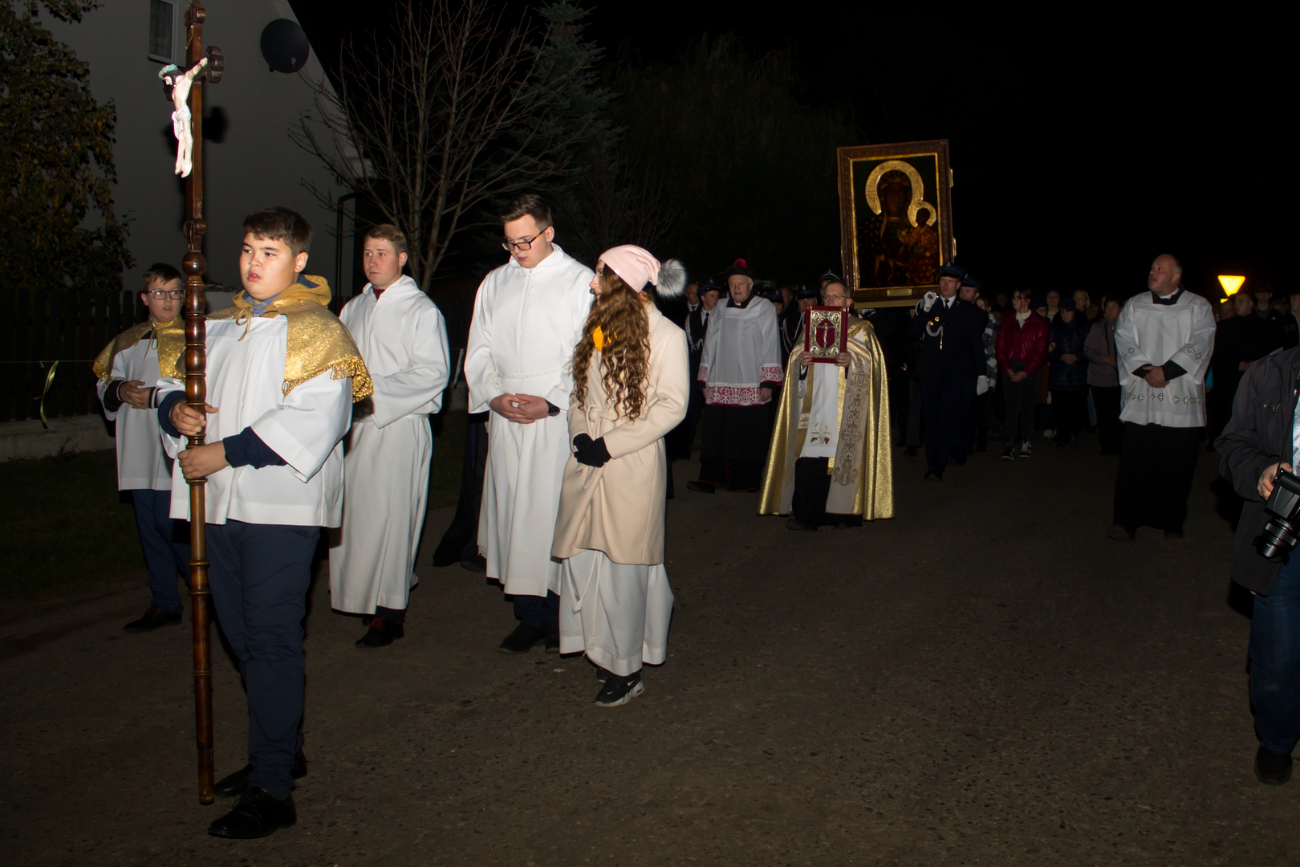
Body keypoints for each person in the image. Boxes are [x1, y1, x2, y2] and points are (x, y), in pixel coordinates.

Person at [157, 208, 369, 838]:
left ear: (300, 261)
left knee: (272, 639)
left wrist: (223, 449)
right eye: (249, 249)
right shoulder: (220, 325)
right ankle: (281, 744)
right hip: (216, 504)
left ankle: (273, 787)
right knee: (242, 636)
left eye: (270, 252)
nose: (254, 262)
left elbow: (316, 419)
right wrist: (178, 414)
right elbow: (174, 382)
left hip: (280, 507)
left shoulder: (319, 332)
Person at [551, 246, 688, 706]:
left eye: (601, 275)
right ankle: (602, 649)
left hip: (630, 467)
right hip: (588, 463)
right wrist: (579, 436)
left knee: (624, 571)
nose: (592, 283)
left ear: (625, 283)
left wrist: (610, 444)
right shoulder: (600, 331)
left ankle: (628, 667)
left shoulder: (665, 335)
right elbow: (579, 394)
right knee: (585, 561)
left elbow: (672, 406)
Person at [465, 194, 593, 653]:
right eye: (510, 244)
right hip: (506, 412)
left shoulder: (580, 282)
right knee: (514, 512)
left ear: (548, 232)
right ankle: (529, 615)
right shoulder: (495, 283)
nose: (518, 251)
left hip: (552, 418)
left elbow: (587, 354)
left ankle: (564, 615)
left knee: (550, 514)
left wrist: (554, 401)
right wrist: (492, 394)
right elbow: (478, 348)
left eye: (526, 241)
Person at [329, 225, 449, 648]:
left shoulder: (420, 310)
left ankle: (391, 610)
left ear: (401, 259)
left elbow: (433, 374)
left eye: (382, 253)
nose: (372, 260)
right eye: (367, 252)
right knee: (358, 517)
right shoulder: (354, 308)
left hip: (398, 425)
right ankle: (363, 596)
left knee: (394, 515)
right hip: (355, 430)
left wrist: (370, 393)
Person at [1215, 342, 1300, 785]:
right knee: (1279, 652)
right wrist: (1263, 470)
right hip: (1286, 534)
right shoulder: (1269, 373)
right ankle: (1277, 739)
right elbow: (1232, 444)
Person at [93, 263, 190, 632]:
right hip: (136, 445)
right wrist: (119, 390)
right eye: (161, 293)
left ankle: (206, 589)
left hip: (171, 445)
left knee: (171, 525)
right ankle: (165, 601)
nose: (169, 300)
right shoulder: (127, 340)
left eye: (176, 292)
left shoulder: (197, 338)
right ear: (145, 298)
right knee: (149, 527)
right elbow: (105, 382)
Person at [759, 279, 893, 530]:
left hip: (845, 410)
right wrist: (802, 362)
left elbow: (874, 372)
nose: (831, 301)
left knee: (844, 461)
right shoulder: (812, 324)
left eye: (837, 297)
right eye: (827, 297)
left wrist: (852, 361)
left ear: (848, 302)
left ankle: (845, 515)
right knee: (810, 459)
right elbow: (794, 365)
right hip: (816, 407)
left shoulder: (861, 329)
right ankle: (806, 516)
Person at [1108, 254, 1215, 541]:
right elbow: (1124, 338)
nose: (1152, 272)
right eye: (1152, 267)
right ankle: (1127, 519)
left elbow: (1202, 342)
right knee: (1136, 462)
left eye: (1160, 268)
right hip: (1143, 394)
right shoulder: (1135, 304)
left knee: (1176, 463)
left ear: (1177, 276)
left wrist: (1166, 371)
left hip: (1179, 396)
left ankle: (1170, 520)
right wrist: (1147, 372)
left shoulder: (1198, 306)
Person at [688, 259, 784, 493]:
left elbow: (771, 344)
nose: (737, 288)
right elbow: (709, 343)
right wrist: (704, 378)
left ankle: (747, 481)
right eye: (732, 284)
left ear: (750, 285)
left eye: (741, 283)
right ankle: (710, 480)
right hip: (720, 380)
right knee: (717, 432)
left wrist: (768, 381)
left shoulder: (763, 308)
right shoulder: (719, 308)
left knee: (747, 434)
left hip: (751, 381)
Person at [908, 262, 985, 480]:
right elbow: (915, 333)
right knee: (930, 418)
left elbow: (975, 344)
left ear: (958, 285)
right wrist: (923, 310)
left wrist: (981, 373)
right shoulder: (930, 305)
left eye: (950, 282)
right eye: (942, 281)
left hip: (954, 375)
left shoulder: (967, 311)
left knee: (945, 419)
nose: (945, 285)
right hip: (930, 373)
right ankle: (933, 463)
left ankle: (938, 464)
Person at [1210, 291, 1282, 442]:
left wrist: (1256, 364)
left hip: (1256, 378)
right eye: (1236, 302)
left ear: (1251, 304)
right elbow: (1218, 352)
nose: (1237, 305)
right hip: (1231, 378)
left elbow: (1273, 350)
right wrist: (1238, 364)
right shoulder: (1224, 327)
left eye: (1241, 302)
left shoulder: (1264, 326)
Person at [995, 289, 1049, 460]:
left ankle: (1026, 440)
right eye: (1014, 298)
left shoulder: (1039, 323)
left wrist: (1026, 372)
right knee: (1011, 407)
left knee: (1027, 406)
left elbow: (1040, 353)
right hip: (1010, 368)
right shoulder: (1007, 321)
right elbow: (1000, 347)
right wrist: (1009, 370)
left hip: (1029, 370)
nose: (1014, 301)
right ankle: (1009, 443)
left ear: (1027, 301)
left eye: (1018, 298)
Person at [1047, 298, 1089, 447]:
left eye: (1068, 311)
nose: (1065, 314)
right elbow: (1047, 351)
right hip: (1059, 374)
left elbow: (1090, 350)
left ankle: (1073, 433)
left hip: (1078, 373)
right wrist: (1060, 356)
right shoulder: (1054, 328)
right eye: (1062, 311)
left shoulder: (1084, 327)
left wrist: (1077, 356)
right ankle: (1062, 434)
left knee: (1076, 407)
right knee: (1060, 406)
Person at [1085, 297, 1124, 455]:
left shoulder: (1126, 327)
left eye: (1113, 307)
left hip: (1120, 379)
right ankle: (1107, 446)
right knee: (1104, 415)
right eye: (1107, 307)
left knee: (1119, 414)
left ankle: (1119, 445)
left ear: (1120, 309)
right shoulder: (1097, 327)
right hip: (1100, 378)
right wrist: (1103, 359)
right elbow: (1088, 351)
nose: (1109, 310)